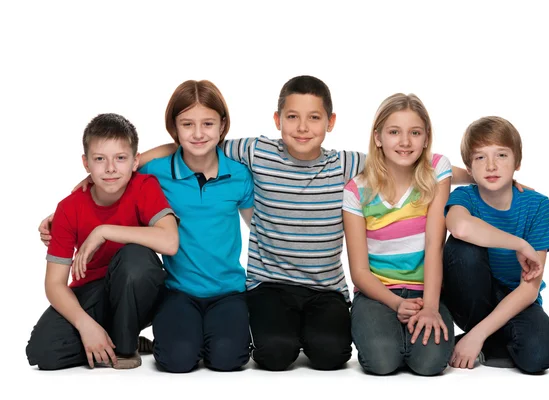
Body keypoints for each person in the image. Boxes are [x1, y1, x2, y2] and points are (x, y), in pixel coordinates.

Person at [136, 76, 481, 371]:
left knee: (331, 355)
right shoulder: (256, 152)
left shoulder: (347, 164)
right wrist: (134, 162)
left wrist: (479, 177)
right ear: (277, 119)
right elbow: (198, 143)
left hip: (325, 288)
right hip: (269, 284)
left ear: (330, 122)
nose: (303, 128)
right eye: (293, 117)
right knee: (274, 353)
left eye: (314, 118)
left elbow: (406, 162)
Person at [37, 80, 255, 373]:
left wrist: (103, 229)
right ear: (174, 129)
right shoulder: (157, 171)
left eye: (207, 123)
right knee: (175, 360)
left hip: (226, 290)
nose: (199, 133)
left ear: (222, 125)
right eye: (187, 124)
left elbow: (258, 229)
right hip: (176, 290)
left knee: (228, 359)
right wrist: (79, 192)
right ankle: (120, 339)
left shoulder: (237, 174)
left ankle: (208, 335)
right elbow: (124, 165)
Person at [26, 113, 179, 370]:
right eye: (100, 159)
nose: (110, 168)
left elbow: (170, 241)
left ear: (135, 161)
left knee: (135, 258)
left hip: (141, 288)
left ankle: (125, 348)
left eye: (120, 158)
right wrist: (86, 326)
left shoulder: (144, 187)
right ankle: (116, 336)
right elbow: (54, 283)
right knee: (43, 352)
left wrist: (104, 230)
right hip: (94, 293)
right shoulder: (68, 208)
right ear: (86, 163)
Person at [342, 93, 454, 376]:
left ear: (426, 138)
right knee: (382, 362)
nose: (405, 142)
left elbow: (433, 244)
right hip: (377, 294)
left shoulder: (436, 170)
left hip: (426, 289)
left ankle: (419, 335)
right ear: (378, 137)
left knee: (429, 365)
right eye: (394, 132)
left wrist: (429, 307)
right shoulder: (357, 190)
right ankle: (392, 335)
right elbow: (359, 271)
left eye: (414, 133)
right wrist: (396, 304)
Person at [442, 116, 549, 373]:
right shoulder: (464, 196)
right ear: (469, 167)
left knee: (539, 354)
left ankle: (477, 342)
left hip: (515, 299)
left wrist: (477, 335)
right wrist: (519, 244)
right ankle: (488, 341)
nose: (492, 165)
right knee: (462, 248)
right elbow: (461, 227)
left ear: (517, 162)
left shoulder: (537, 205)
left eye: (502, 155)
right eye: (480, 158)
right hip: (471, 298)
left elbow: (529, 289)